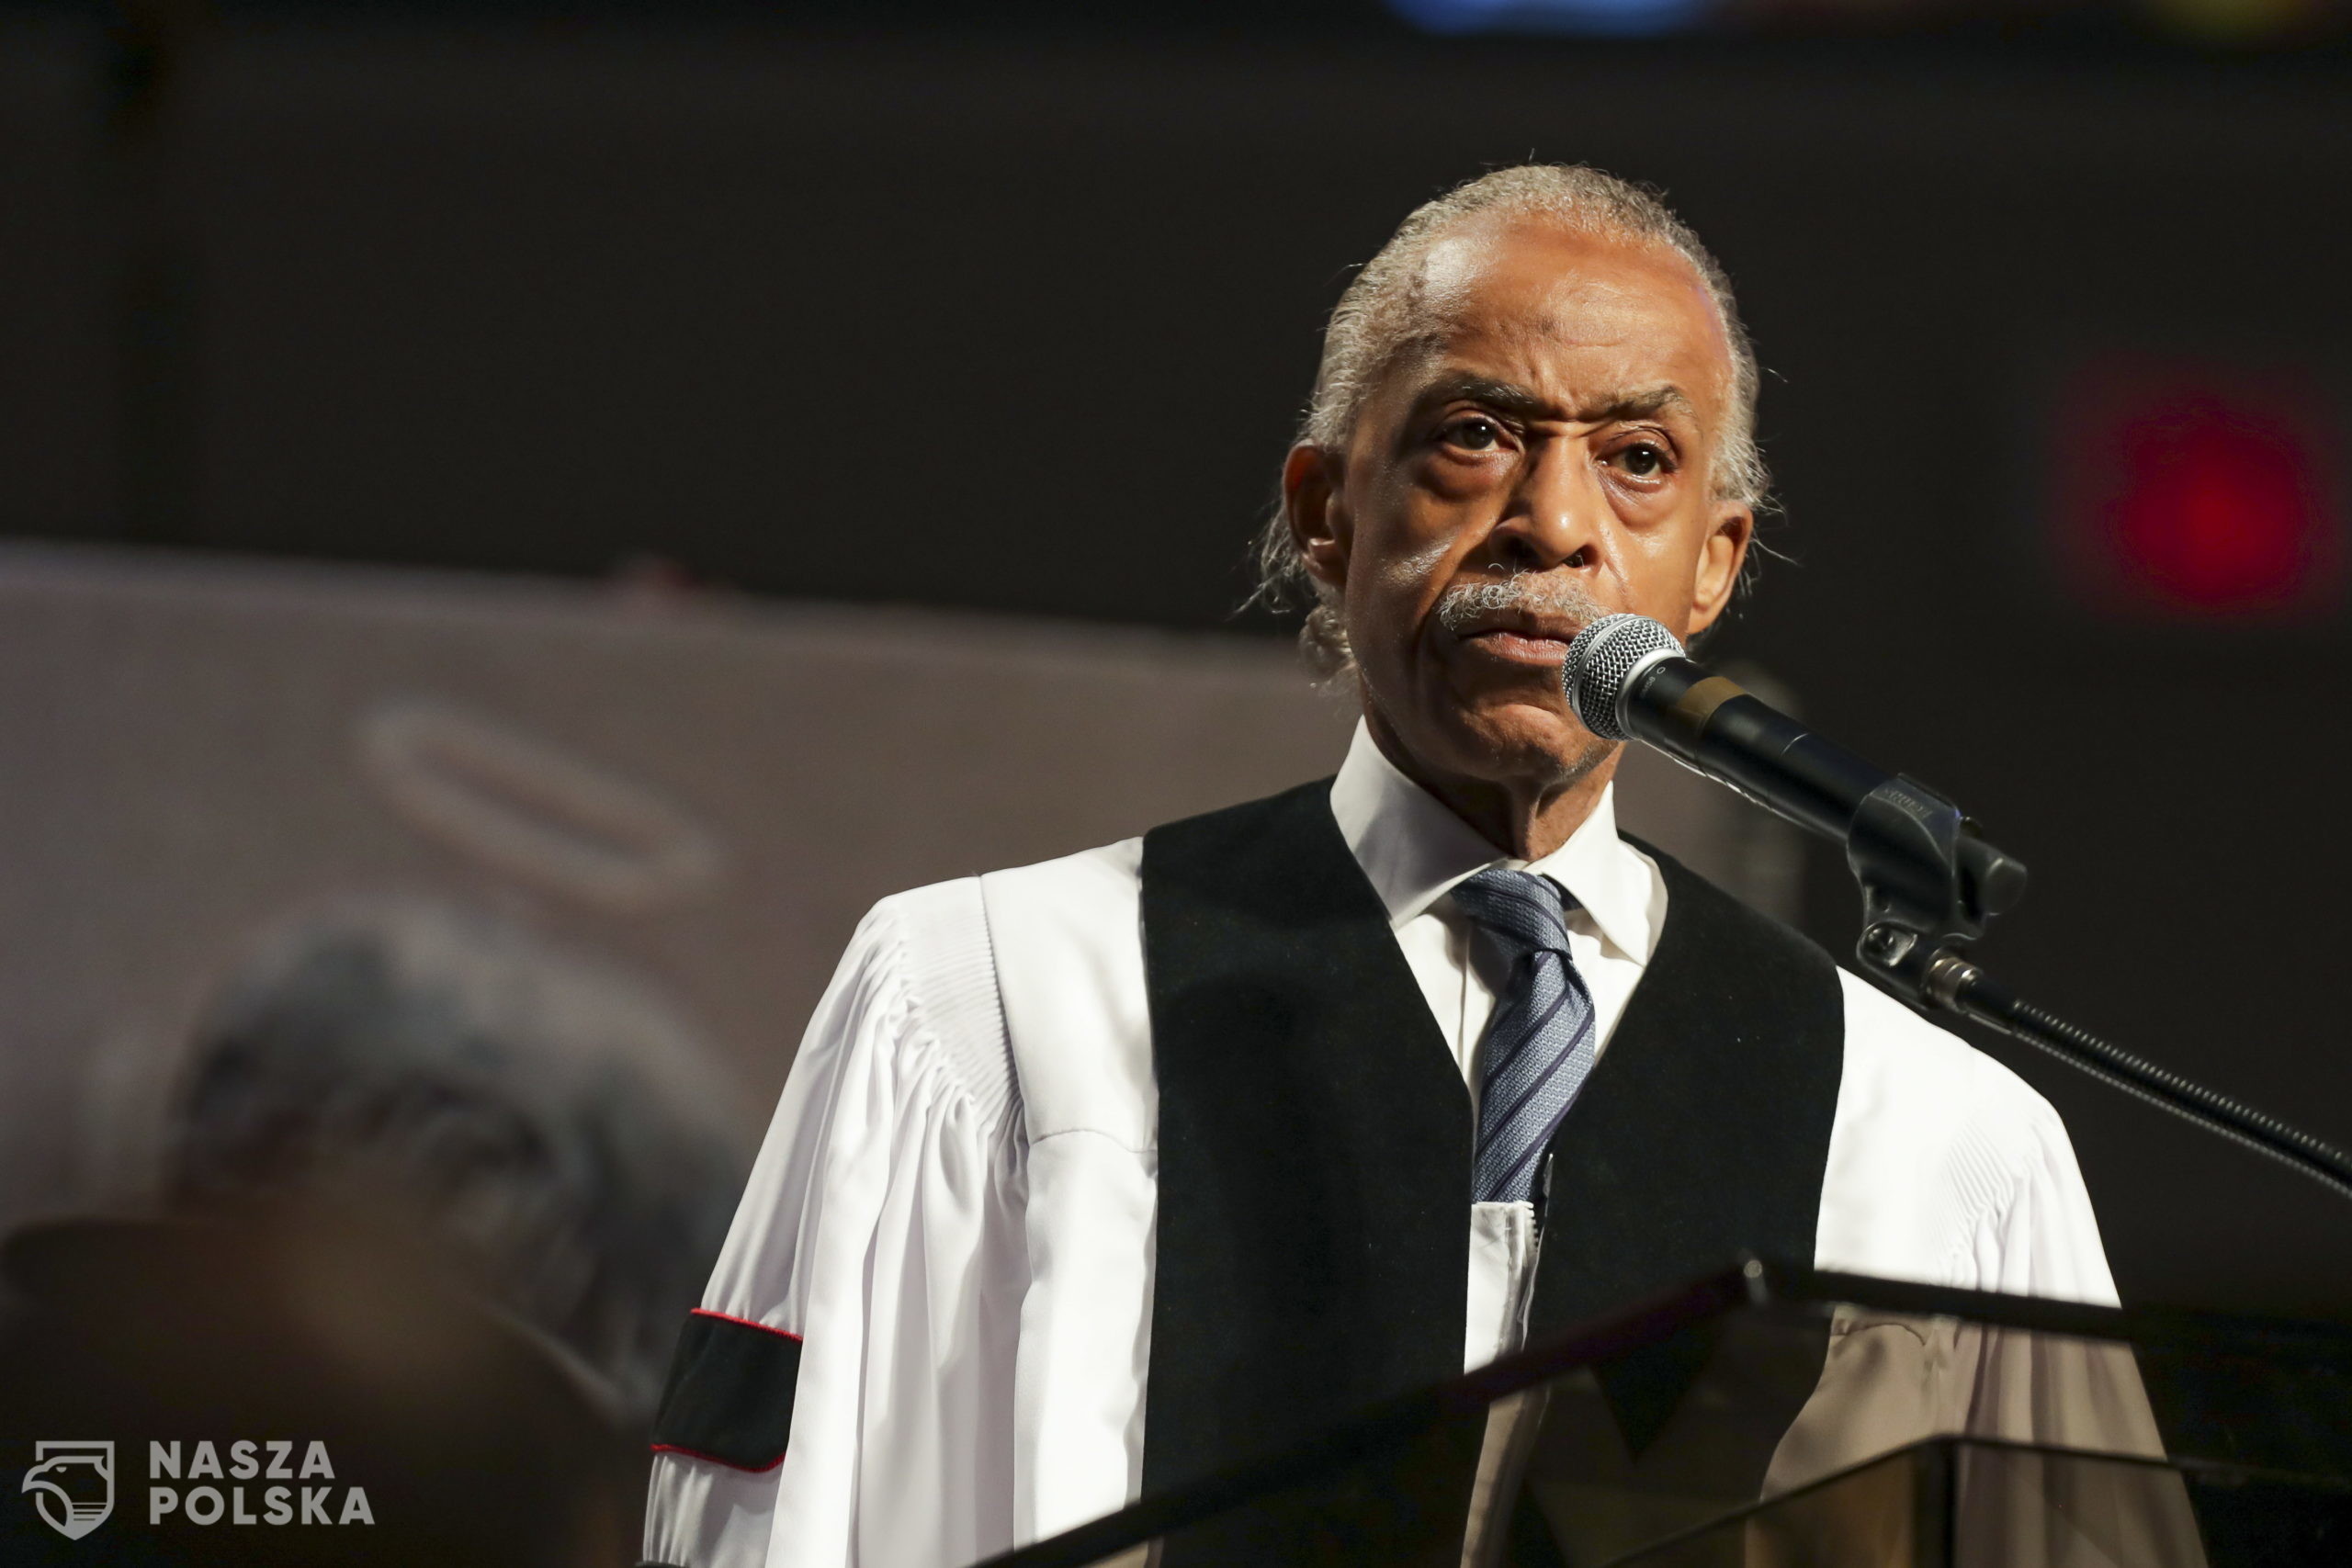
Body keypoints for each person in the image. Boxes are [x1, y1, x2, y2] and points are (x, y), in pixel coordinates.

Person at [639, 164, 2119, 1568]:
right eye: (1476, 435)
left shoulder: (1938, 1140)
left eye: (1638, 462)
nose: (1553, 523)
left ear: (1713, 565)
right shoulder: (986, 1005)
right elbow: (776, 1527)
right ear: (1327, 509)